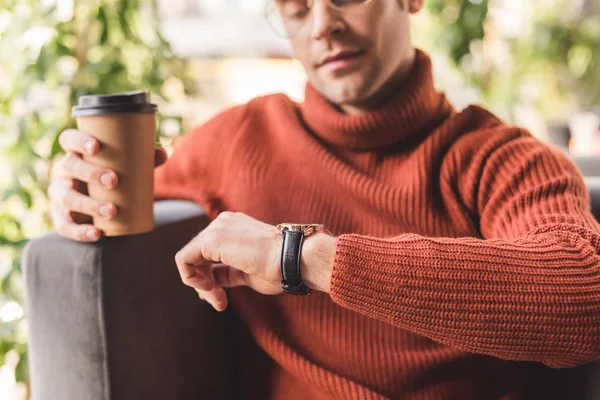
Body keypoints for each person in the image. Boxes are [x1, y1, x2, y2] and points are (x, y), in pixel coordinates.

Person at [48, 0, 600, 398]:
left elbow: (585, 298)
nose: (323, 25)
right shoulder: (242, 139)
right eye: (295, 7)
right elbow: (121, 201)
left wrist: (302, 258)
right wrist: (77, 193)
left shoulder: (503, 158)